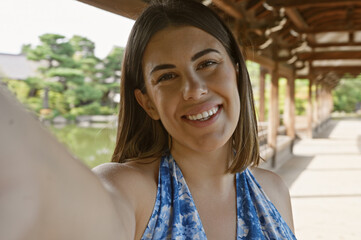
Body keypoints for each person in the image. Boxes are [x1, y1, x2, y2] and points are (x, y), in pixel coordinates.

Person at [0, 0, 296, 239]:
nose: (193, 89)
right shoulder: (132, 190)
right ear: (148, 103)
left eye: (207, 63)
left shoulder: (274, 190)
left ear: (236, 72)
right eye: (167, 76)